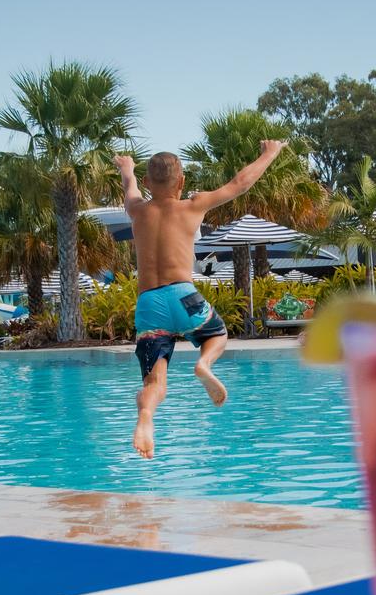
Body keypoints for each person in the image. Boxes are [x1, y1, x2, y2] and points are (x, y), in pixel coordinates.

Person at [115, 140, 285, 459]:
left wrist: (127, 168)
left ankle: (146, 417)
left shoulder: (137, 210)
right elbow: (240, 183)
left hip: (149, 306)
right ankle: (204, 364)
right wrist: (269, 153)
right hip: (184, 296)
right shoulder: (193, 205)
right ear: (181, 182)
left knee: (155, 382)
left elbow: (129, 186)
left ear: (150, 183)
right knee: (217, 334)